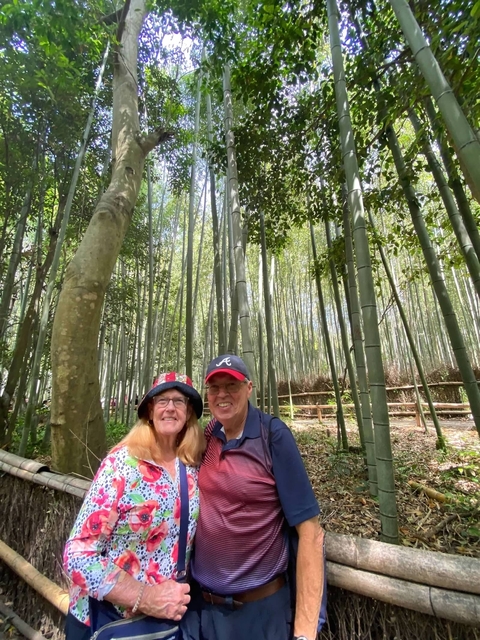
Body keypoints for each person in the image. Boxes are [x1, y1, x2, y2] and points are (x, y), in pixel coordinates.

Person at [181, 355, 325, 640]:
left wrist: (305, 634)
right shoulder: (208, 434)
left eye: (231, 385)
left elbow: (311, 533)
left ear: (249, 388)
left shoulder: (272, 436)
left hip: (259, 614)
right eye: (214, 387)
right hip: (202, 611)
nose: (222, 394)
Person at [63, 372, 205, 640]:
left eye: (179, 401)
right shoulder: (121, 466)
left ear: (189, 414)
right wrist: (145, 596)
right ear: (150, 411)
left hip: (165, 624)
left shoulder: (190, 468)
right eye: (162, 400)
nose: (170, 408)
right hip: (105, 621)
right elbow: (78, 555)